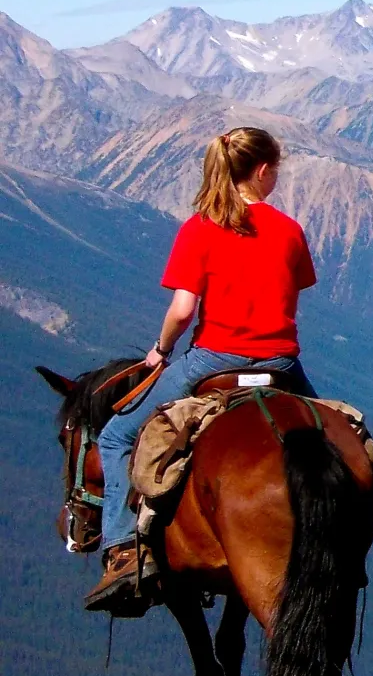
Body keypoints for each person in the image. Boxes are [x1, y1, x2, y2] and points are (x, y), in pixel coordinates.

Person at [85, 126, 320, 614]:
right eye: (276, 169)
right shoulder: (289, 230)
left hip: (215, 358)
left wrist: (159, 350)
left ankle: (123, 552)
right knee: (334, 436)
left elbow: (182, 310)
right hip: (281, 362)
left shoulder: (199, 228)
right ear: (261, 171)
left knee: (114, 436)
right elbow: (290, 301)